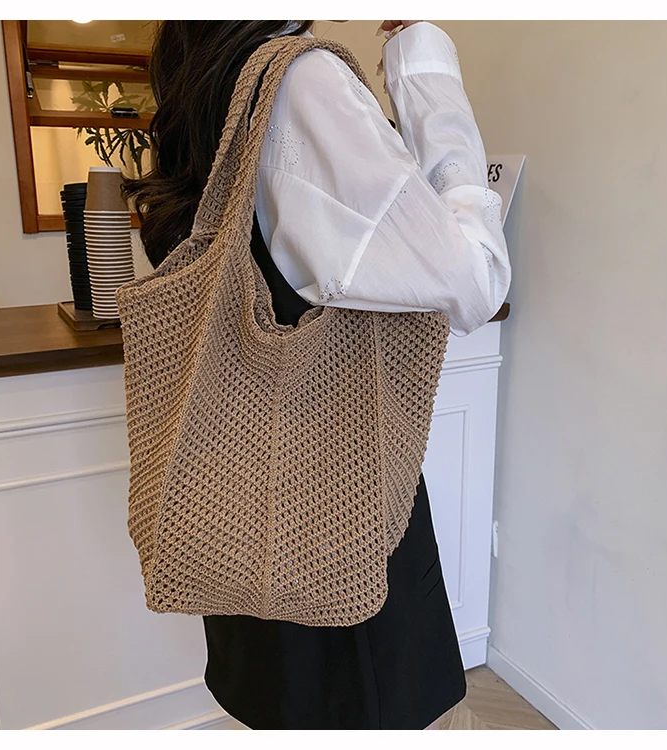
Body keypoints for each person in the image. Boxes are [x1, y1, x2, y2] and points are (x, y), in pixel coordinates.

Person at [123, 19, 510, 731]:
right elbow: (474, 280)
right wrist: (423, 65)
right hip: (338, 506)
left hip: (237, 501)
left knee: (282, 705)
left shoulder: (208, 74)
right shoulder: (303, 80)